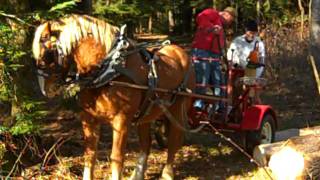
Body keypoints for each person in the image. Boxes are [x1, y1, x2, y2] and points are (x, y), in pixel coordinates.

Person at [191, 7, 235, 111]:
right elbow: (200, 17)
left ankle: (219, 105)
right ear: (227, 15)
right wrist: (212, 28)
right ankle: (199, 103)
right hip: (203, 51)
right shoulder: (213, 14)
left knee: (219, 80)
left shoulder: (221, 26)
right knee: (203, 78)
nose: (230, 23)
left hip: (215, 55)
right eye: (231, 20)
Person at [227, 20, 266, 103]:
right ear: (246, 31)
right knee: (235, 90)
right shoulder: (237, 41)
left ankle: (255, 109)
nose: (251, 35)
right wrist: (235, 63)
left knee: (253, 94)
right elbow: (230, 54)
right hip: (238, 71)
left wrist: (254, 75)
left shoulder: (259, 43)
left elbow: (261, 62)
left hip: (253, 72)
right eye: (250, 32)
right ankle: (233, 107)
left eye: (254, 33)